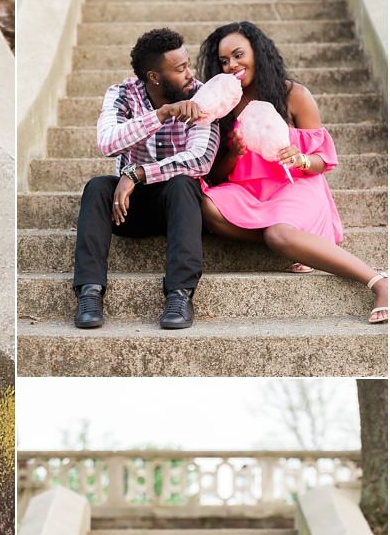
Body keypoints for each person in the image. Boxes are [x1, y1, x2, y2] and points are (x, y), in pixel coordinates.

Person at [194, 21, 388, 324]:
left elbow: (323, 159)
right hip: (249, 192)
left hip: (296, 184)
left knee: (277, 233)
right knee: (205, 204)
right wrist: (234, 152)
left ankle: (379, 282)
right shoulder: (224, 105)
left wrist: (300, 159)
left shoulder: (293, 95)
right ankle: (304, 243)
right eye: (224, 60)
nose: (231, 65)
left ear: (258, 53)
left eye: (238, 55)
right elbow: (216, 177)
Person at [74, 28, 219, 331]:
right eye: (180, 69)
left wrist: (137, 174)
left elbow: (200, 159)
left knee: (183, 182)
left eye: (188, 64)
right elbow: (107, 142)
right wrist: (161, 116)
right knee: (98, 187)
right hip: (127, 209)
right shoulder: (122, 94)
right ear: (154, 77)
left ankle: (179, 295)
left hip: (180, 209)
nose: (190, 75)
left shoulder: (203, 96)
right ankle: (89, 292)